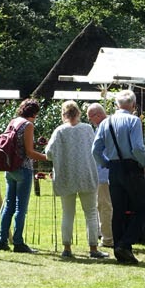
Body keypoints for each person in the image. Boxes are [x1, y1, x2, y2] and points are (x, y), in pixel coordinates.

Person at [91, 89, 145, 264]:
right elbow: (138, 148)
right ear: (133, 105)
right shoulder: (134, 121)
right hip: (131, 167)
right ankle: (124, 244)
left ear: (117, 105)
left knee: (119, 211)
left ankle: (120, 249)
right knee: (142, 210)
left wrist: (107, 163)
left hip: (114, 169)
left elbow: (95, 150)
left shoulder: (105, 123)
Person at [44, 100, 106, 259]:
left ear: (63, 114)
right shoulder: (87, 129)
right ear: (78, 113)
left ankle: (67, 248)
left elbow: (49, 153)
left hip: (66, 176)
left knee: (67, 213)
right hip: (86, 175)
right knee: (91, 213)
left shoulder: (59, 131)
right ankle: (93, 249)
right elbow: (96, 149)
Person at [0, 98, 50, 253]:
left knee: (9, 207)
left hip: (9, 168)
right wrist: (49, 157)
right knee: (21, 208)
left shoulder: (13, 121)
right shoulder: (28, 125)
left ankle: (2, 241)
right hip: (23, 169)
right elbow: (29, 152)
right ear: (33, 113)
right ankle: (18, 243)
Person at [86, 103, 114, 249]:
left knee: (104, 206)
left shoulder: (104, 127)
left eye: (90, 118)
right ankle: (104, 234)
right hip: (105, 173)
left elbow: (97, 151)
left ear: (97, 115)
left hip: (104, 173)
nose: (90, 121)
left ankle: (108, 238)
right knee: (102, 205)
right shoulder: (109, 125)